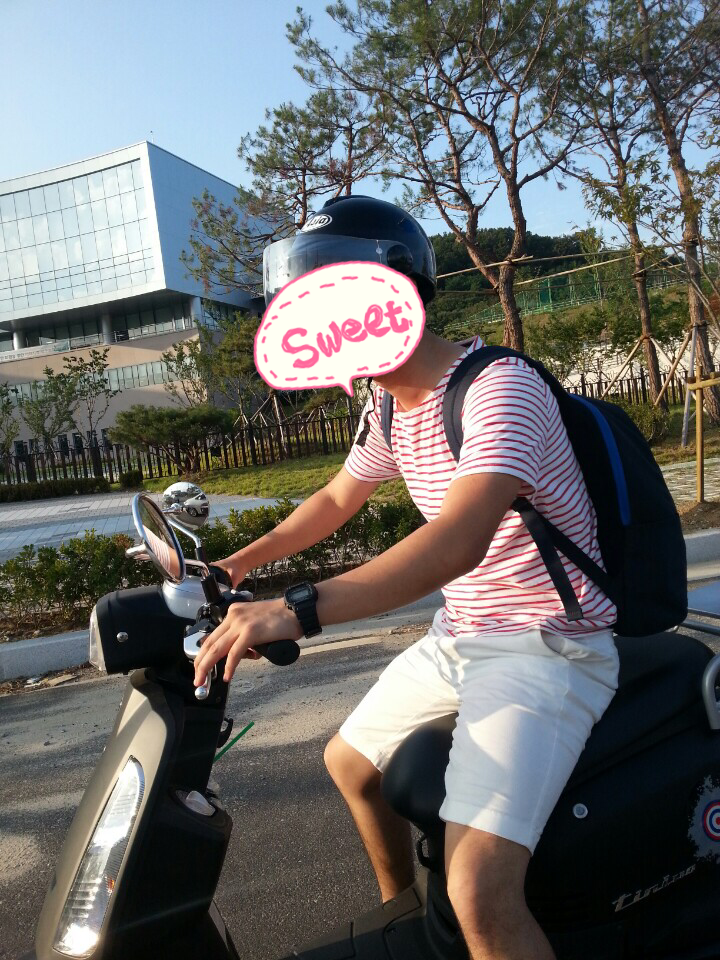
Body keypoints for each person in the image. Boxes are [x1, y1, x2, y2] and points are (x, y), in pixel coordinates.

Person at [193, 195, 619, 960]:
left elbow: (456, 541)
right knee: (350, 764)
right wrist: (237, 564)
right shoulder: (387, 407)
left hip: (546, 646)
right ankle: (404, 921)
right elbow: (335, 499)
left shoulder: (497, 388)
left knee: (481, 892)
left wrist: (298, 609)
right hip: (464, 634)